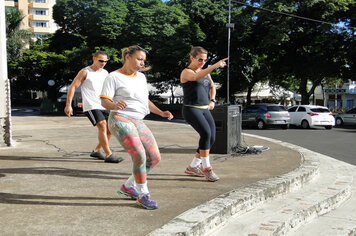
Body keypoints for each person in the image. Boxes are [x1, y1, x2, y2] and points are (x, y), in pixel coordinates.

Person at [100, 45, 173, 210]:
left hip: (138, 120)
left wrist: (160, 112)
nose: (142, 63)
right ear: (128, 57)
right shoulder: (113, 77)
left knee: (154, 158)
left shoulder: (141, 78)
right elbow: (104, 101)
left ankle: (128, 187)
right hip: (120, 119)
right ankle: (142, 195)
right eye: (139, 59)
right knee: (139, 155)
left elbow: (144, 101)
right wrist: (114, 104)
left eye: (144, 60)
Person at [64, 51, 124, 163]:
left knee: (111, 128)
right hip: (91, 105)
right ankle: (108, 154)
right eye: (101, 60)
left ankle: (97, 150)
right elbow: (72, 87)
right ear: (94, 59)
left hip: (105, 104)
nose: (103, 63)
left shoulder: (105, 73)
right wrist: (68, 105)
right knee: (102, 125)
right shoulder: (85, 72)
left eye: (106, 61)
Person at [180, 46, 228, 182]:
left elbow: (212, 86)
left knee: (212, 138)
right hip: (191, 109)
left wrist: (212, 100)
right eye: (200, 59)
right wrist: (214, 66)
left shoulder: (205, 72)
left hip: (204, 109)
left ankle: (193, 166)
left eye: (205, 60)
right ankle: (207, 168)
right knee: (206, 134)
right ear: (192, 58)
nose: (203, 62)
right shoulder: (186, 72)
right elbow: (196, 77)